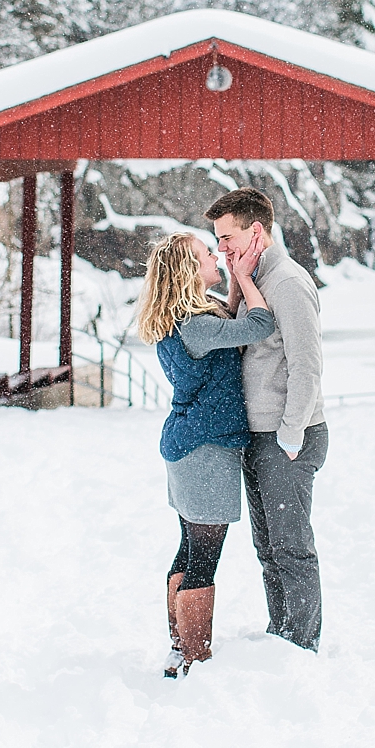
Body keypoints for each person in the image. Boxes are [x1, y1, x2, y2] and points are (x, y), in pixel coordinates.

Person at [134, 229, 274, 678]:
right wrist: (246, 275)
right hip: (205, 449)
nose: (216, 255)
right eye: (206, 254)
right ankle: (192, 655)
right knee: (202, 556)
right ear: (189, 271)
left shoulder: (191, 317)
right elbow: (258, 325)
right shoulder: (196, 324)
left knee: (191, 548)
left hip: (189, 445)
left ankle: (181, 648)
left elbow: (230, 319)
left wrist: (234, 283)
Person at [204, 187, 328, 651]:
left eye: (228, 237)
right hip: (259, 435)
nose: (222, 249)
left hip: (288, 436)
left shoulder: (289, 284)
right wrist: (237, 280)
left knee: (291, 547)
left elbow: (306, 364)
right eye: (217, 241)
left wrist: (291, 432)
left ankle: (301, 644)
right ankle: (282, 635)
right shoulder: (256, 280)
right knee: (268, 548)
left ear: (256, 231)